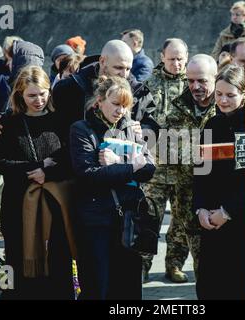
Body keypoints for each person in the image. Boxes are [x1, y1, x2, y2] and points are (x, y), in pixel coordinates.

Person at [69, 76, 155, 300]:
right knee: (98, 286)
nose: (121, 111)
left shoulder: (131, 128)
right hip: (96, 220)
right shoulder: (82, 129)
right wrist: (131, 167)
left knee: (128, 286)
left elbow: (149, 169)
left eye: (126, 105)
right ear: (99, 101)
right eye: (116, 104)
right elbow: (89, 175)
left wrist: (117, 163)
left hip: (129, 219)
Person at [194, 65, 245, 299]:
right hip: (212, 220)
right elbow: (200, 171)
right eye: (219, 94)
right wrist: (200, 208)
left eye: (230, 95)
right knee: (213, 287)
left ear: (244, 95)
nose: (223, 100)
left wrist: (227, 211)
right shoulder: (212, 125)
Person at [0, 65, 74, 299]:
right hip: (17, 204)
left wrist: (49, 173)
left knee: (56, 260)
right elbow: (2, 163)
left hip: (54, 205)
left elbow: (70, 157)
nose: (38, 100)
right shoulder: (7, 123)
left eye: (43, 93)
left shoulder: (61, 119)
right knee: (16, 259)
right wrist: (37, 168)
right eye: (31, 95)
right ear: (20, 94)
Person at [162, 54, 219, 283]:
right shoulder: (178, 107)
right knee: (191, 241)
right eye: (190, 80)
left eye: (202, 81)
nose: (195, 86)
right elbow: (167, 148)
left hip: (218, 190)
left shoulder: (225, 104)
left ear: (215, 78)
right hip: (186, 189)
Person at [141, 38, 189, 282]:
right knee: (149, 218)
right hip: (156, 167)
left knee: (182, 221)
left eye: (181, 58)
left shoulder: (195, 85)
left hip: (185, 167)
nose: (177, 63)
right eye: (172, 58)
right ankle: (143, 266)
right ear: (162, 57)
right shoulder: (148, 85)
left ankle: (175, 265)